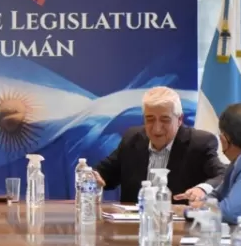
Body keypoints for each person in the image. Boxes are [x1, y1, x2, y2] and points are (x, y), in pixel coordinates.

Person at [92, 86, 226, 203]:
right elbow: (105, 174)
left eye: (165, 120)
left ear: (179, 119)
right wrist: (93, 177)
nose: (157, 128)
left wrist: (201, 189)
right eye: (150, 119)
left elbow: (223, 176)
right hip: (134, 226)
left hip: (177, 228)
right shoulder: (132, 138)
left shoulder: (199, 143)